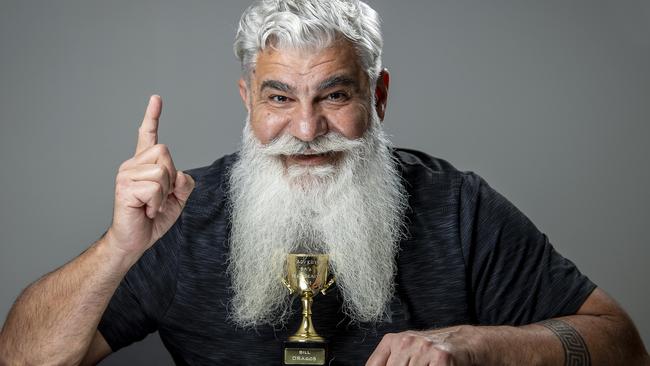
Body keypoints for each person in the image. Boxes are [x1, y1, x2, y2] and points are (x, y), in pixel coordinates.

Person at [0, 0, 648, 365]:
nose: (307, 130)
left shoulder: (456, 208)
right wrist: (119, 246)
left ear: (379, 95)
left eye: (334, 94)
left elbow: (622, 344)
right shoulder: (179, 214)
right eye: (279, 98)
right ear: (246, 100)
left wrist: (476, 349)